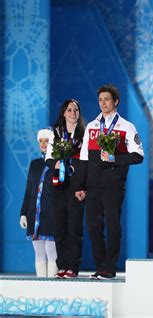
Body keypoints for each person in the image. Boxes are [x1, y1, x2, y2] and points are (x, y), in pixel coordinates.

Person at [75, 84, 144, 280]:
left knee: (113, 225)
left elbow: (139, 156)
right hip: (93, 184)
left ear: (116, 101)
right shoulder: (92, 127)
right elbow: (83, 158)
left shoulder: (127, 127)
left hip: (113, 184)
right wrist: (80, 185)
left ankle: (110, 267)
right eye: (100, 100)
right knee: (93, 226)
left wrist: (116, 159)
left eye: (107, 99)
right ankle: (100, 266)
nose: (103, 103)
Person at [45, 99, 85, 279]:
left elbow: (87, 162)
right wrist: (57, 163)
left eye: (76, 110)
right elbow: (47, 157)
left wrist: (83, 184)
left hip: (76, 185)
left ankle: (73, 267)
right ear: (63, 113)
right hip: (59, 184)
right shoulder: (55, 134)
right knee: (60, 225)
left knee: (74, 226)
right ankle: (62, 266)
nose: (73, 113)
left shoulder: (84, 134)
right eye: (69, 110)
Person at [20, 128, 57, 277]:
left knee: (51, 250)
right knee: (39, 252)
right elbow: (28, 190)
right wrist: (23, 213)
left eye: (46, 141)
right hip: (34, 214)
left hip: (51, 213)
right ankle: (41, 286)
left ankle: (53, 286)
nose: (43, 144)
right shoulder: (35, 164)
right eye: (40, 141)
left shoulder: (58, 163)